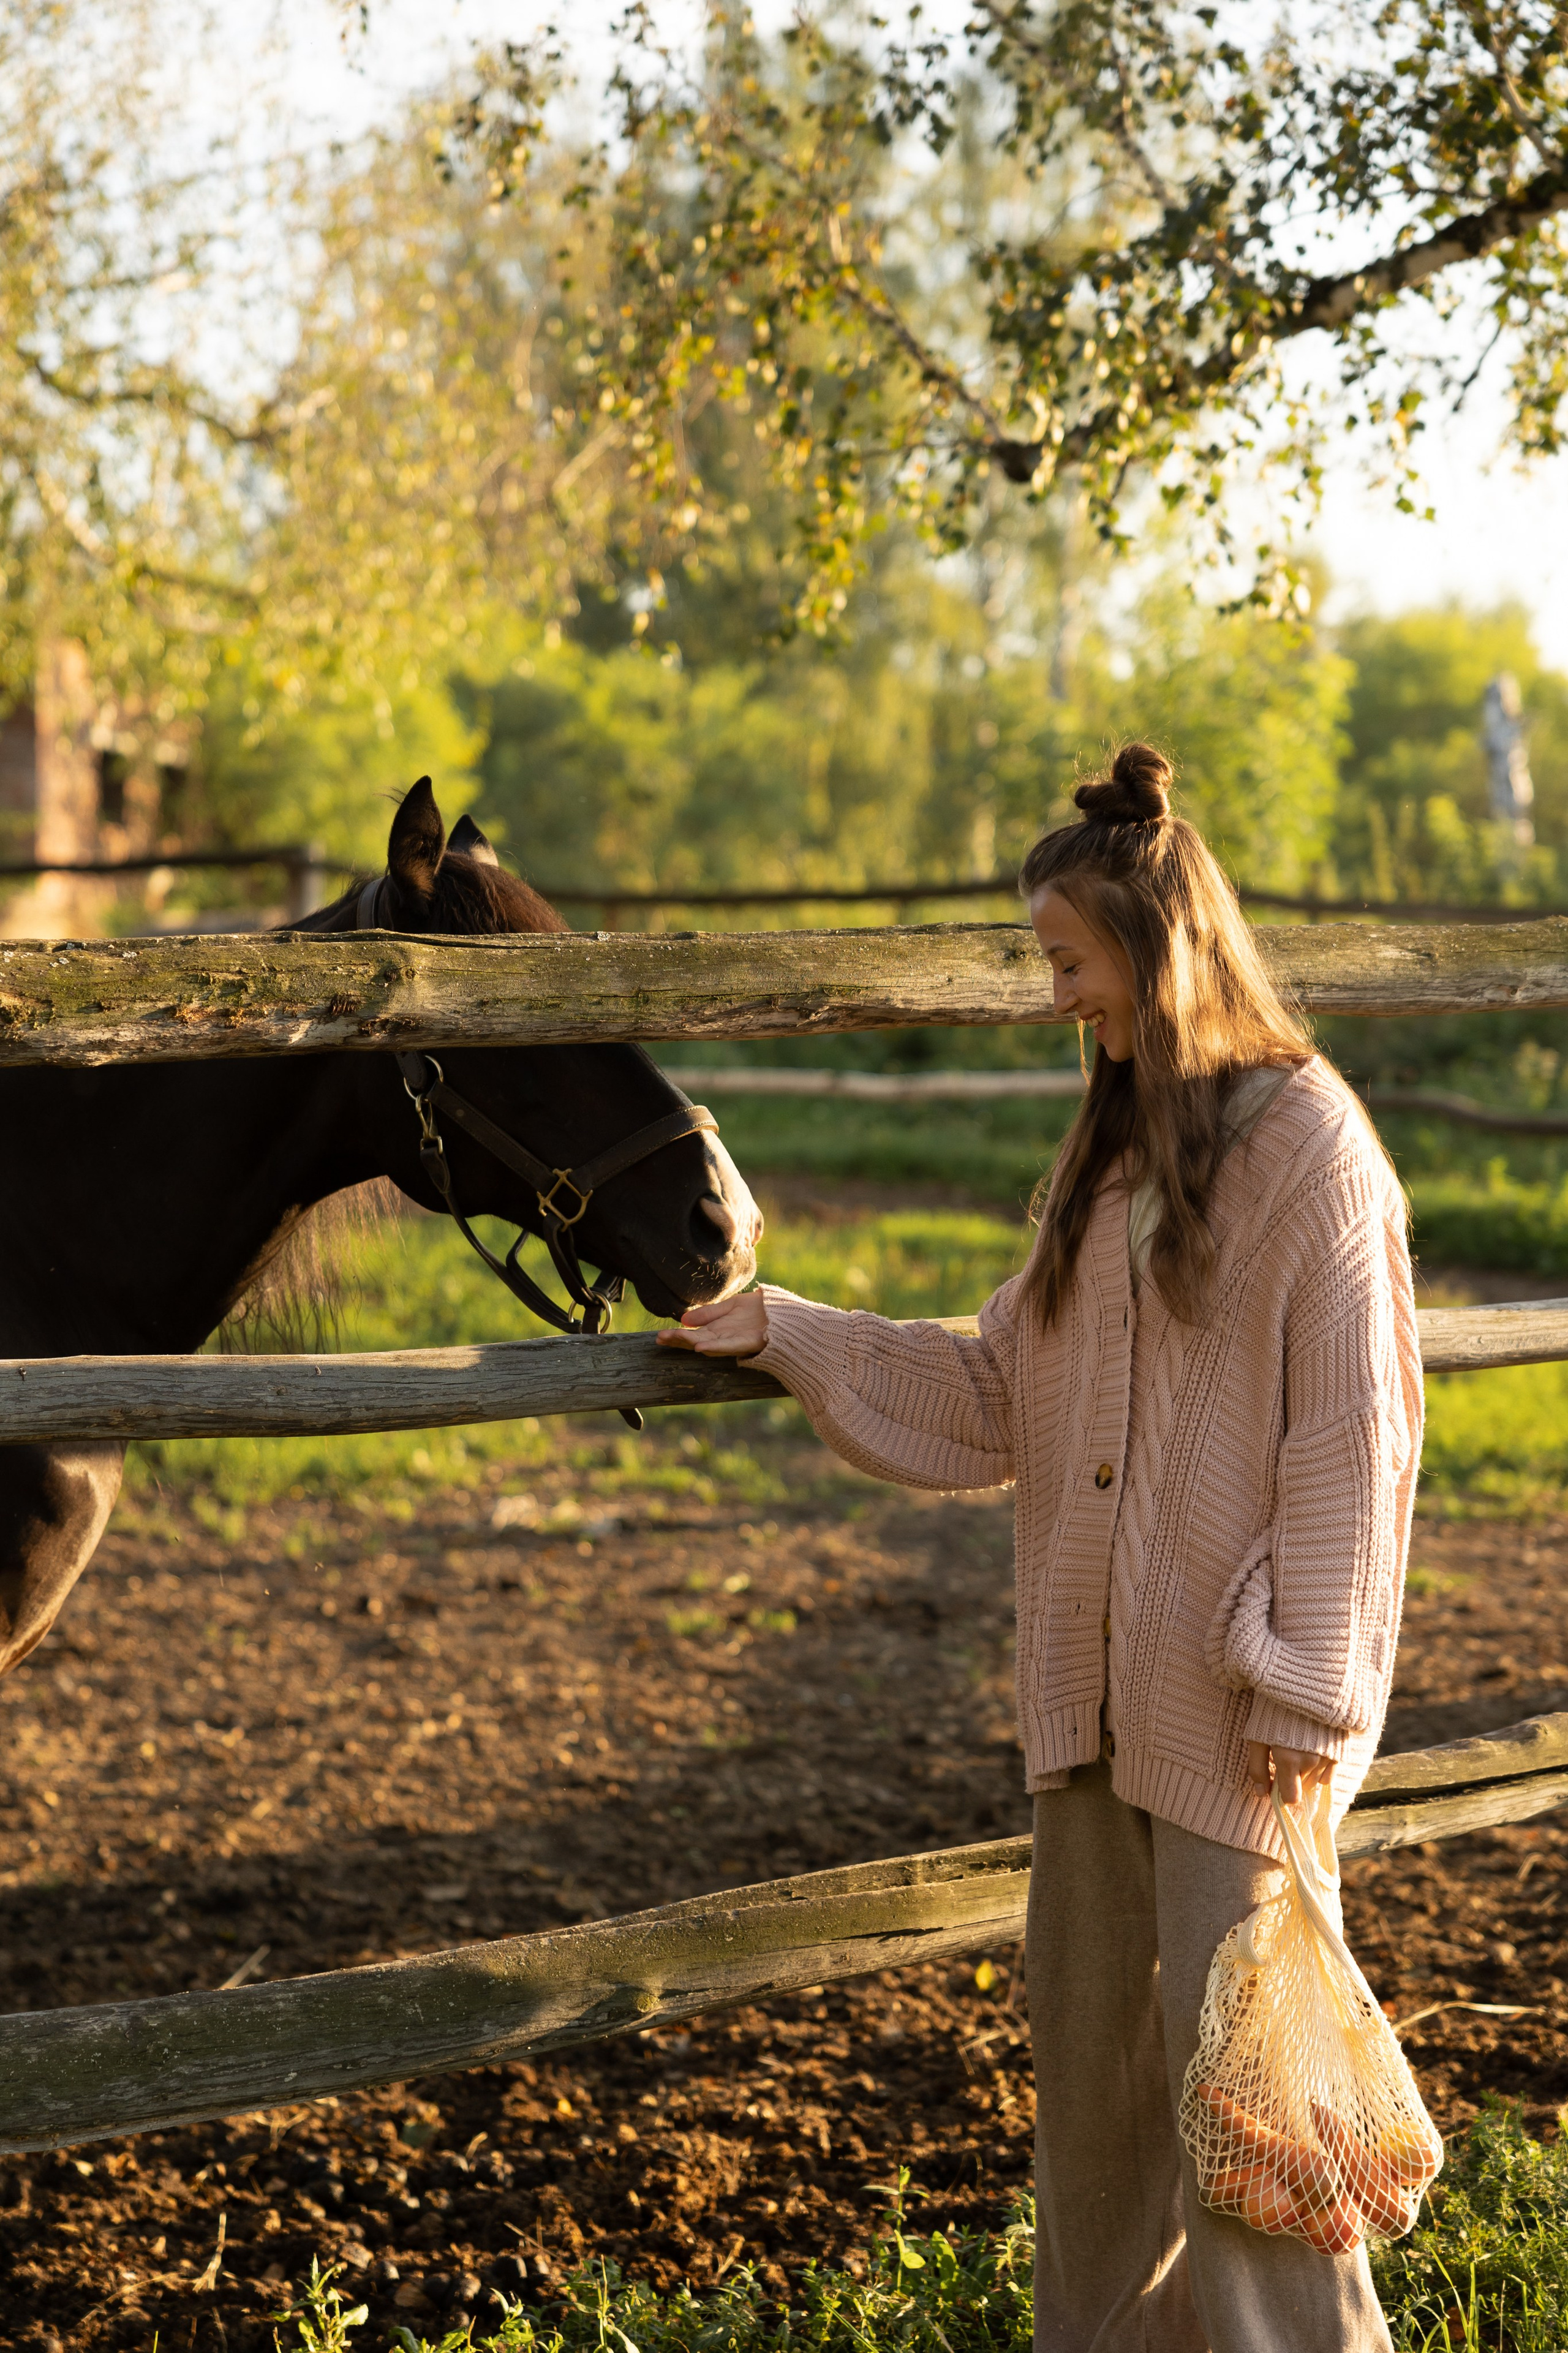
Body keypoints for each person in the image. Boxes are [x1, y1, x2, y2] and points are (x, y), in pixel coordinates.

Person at [658, 742, 1422, 2353]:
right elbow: (994, 1385)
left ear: (1155, 949)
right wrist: (782, 1329)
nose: (1055, 992)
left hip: (1234, 1740)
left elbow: (1357, 1445)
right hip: (1084, 1737)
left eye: (1067, 959)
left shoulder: (1314, 1155)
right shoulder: (1106, 1163)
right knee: (1093, 2156)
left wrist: (1300, 1707)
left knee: (1259, 2150)